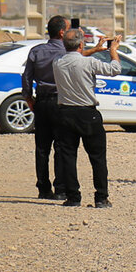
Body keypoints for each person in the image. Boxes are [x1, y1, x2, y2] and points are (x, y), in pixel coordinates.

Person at [53, 28, 118, 208]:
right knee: (97, 157)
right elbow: (115, 69)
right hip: (88, 114)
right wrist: (113, 50)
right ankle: (101, 197)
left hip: (65, 113)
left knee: (68, 157)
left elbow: (73, 57)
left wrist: (95, 49)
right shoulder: (89, 63)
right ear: (81, 44)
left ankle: (73, 197)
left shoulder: (57, 62)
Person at [22, 15, 70, 200]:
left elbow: (26, 77)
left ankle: (43, 188)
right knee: (61, 146)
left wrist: (28, 98)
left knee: (42, 148)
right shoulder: (67, 52)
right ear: (61, 32)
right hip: (61, 101)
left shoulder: (36, 51)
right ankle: (61, 188)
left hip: (41, 101)